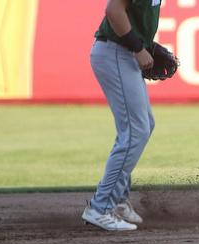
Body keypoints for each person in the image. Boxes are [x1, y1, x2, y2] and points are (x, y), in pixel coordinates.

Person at [82, 0, 161, 231]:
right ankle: (101, 207)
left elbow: (136, 15)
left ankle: (116, 201)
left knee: (144, 126)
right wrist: (138, 47)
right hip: (116, 52)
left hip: (121, 53)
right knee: (136, 131)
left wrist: (145, 45)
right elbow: (114, 9)